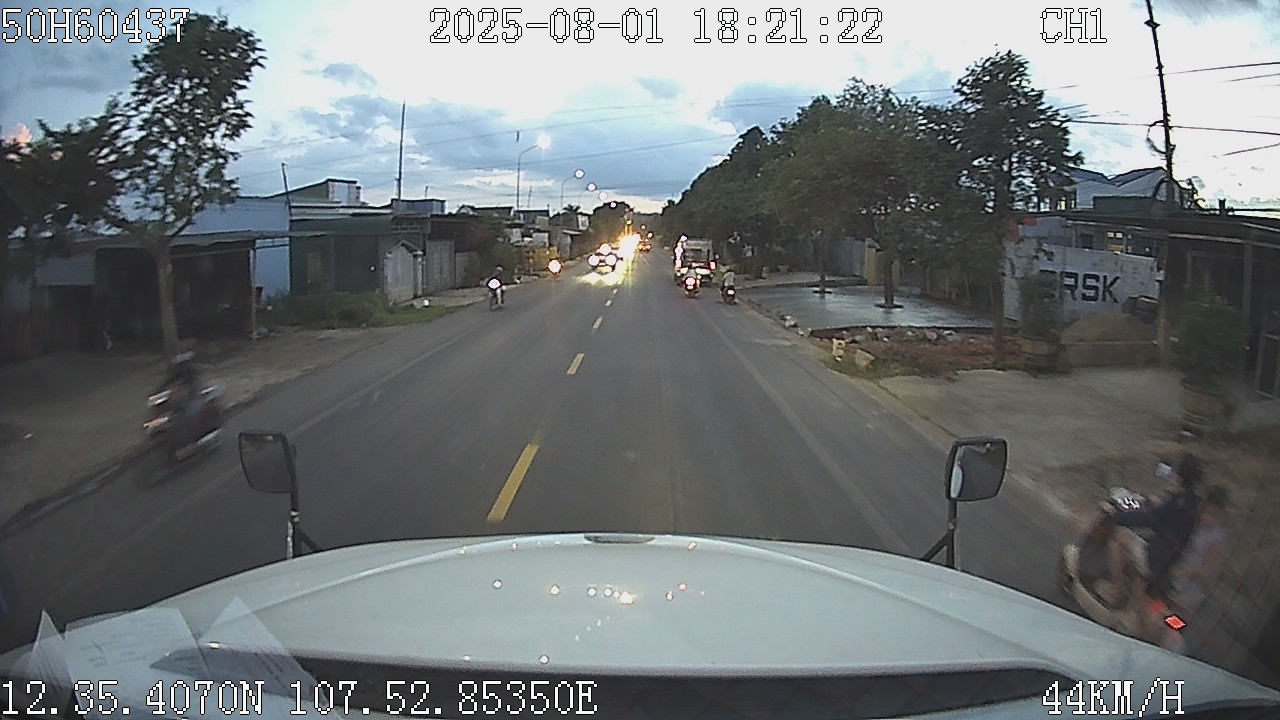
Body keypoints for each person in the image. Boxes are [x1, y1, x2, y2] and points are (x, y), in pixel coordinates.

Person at [1104, 452, 1203, 608]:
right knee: (1138, 544)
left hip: (1154, 557)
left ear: (1179, 478)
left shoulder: (1175, 501)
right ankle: (1132, 599)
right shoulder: (1193, 505)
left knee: (1120, 536)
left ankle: (1115, 590)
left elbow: (1149, 519)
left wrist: (1116, 516)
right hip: (1168, 562)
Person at [1170, 485, 1229, 614]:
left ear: (1220, 515)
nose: (1206, 518)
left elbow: (1211, 569)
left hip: (1191, 588)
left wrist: (1188, 573)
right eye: (1205, 512)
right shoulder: (1196, 526)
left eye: (1212, 515)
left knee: (1174, 618)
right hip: (1175, 579)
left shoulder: (1217, 537)